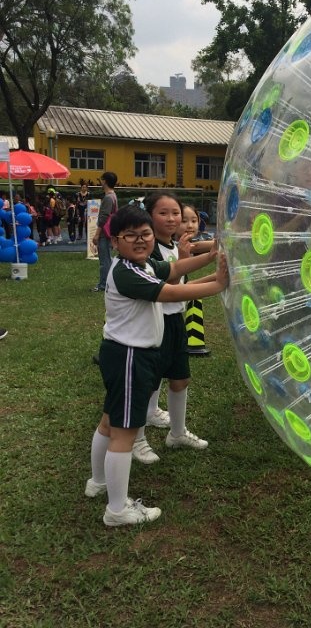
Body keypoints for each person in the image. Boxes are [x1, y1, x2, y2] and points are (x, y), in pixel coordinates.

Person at [85, 204, 229, 526]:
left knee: (109, 422)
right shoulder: (128, 273)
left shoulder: (143, 264)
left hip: (123, 354)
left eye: (145, 234)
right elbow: (170, 293)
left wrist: (210, 258)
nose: (140, 240)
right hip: (129, 357)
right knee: (123, 433)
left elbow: (174, 269)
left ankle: (98, 482)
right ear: (115, 241)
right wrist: (218, 285)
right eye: (131, 235)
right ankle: (117, 510)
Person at [131, 192, 218, 464]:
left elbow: (183, 287)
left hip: (175, 321)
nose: (172, 219)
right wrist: (188, 263)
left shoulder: (174, 246)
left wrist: (216, 276)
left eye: (176, 214)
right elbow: (167, 289)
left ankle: (177, 433)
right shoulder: (149, 250)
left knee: (180, 380)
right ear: (149, 216)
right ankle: (136, 439)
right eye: (163, 213)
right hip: (153, 323)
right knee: (147, 383)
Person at [91, 172, 118, 292]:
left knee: (104, 260)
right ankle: (111, 281)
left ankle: (103, 284)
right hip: (109, 231)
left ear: (105, 181)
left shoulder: (108, 198)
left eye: (101, 179)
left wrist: (97, 234)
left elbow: (103, 218)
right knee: (107, 258)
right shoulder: (113, 195)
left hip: (104, 233)